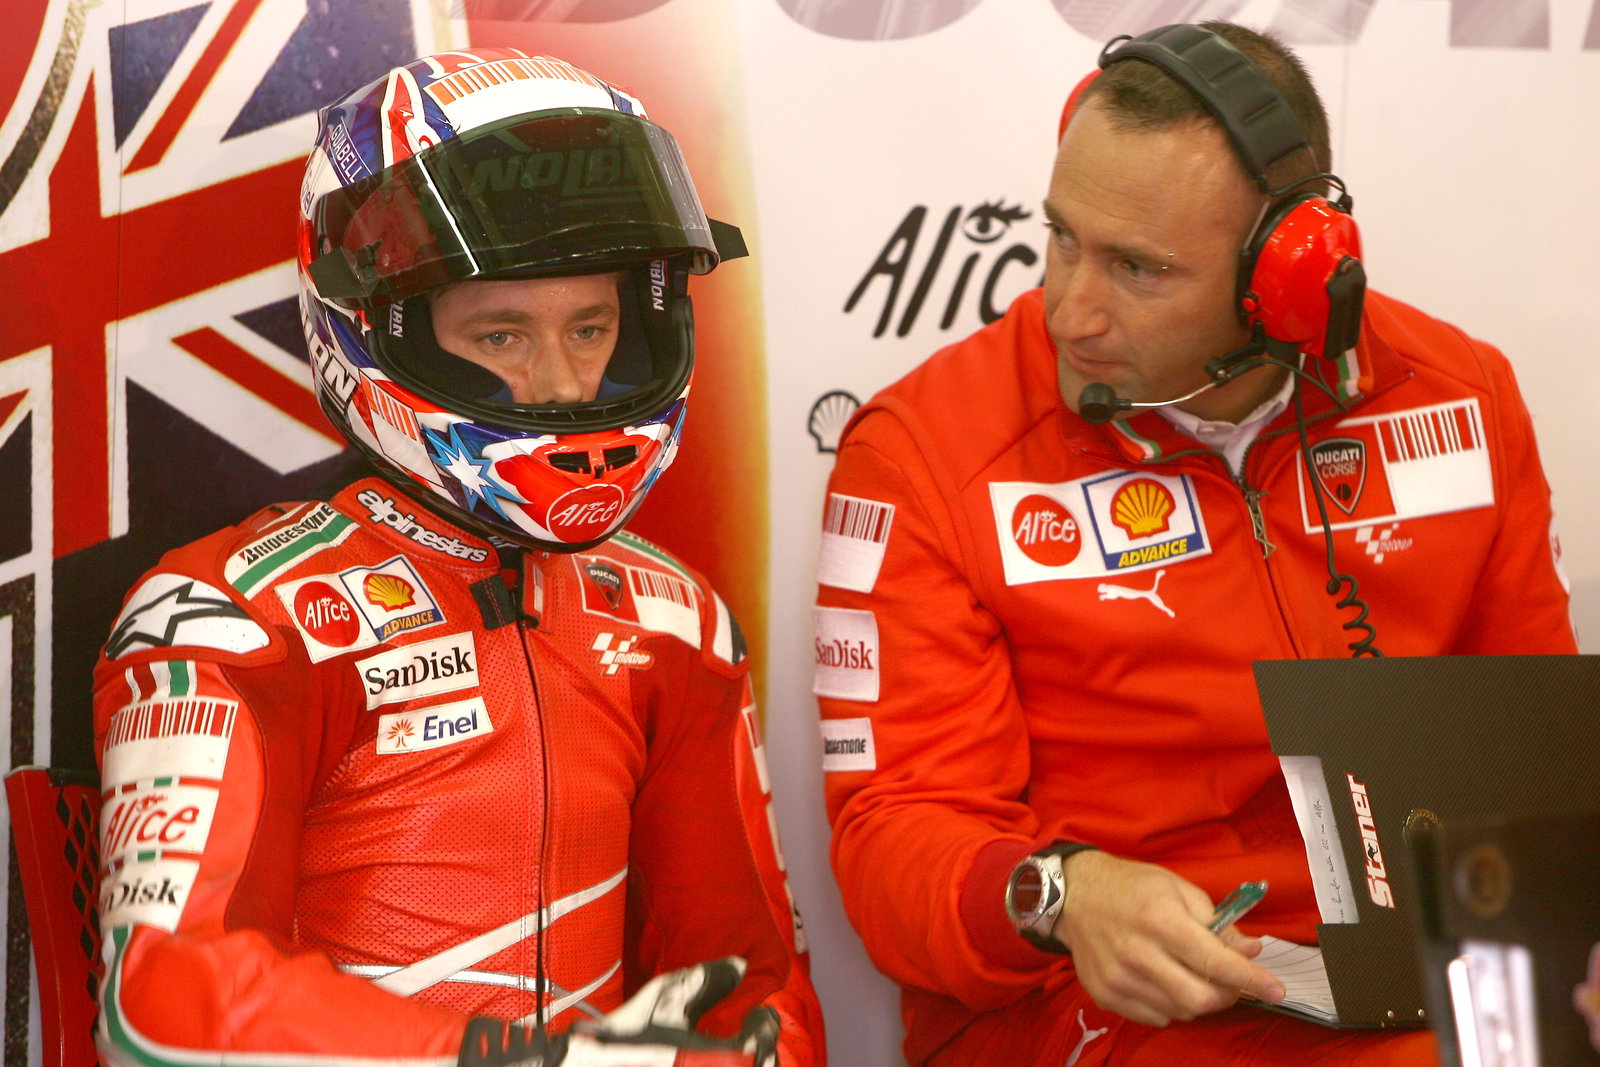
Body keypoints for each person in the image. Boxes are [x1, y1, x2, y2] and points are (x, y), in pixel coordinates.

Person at [812, 20, 1575, 1066]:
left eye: (1138, 268)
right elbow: (895, 838)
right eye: (1062, 237)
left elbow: (1535, 772)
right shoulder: (926, 453)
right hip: (1099, 1006)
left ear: (1292, 275)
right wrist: (1059, 892)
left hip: (1420, 987)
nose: (1069, 309)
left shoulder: (1461, 398)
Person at [92, 49, 822, 1066]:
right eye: (502, 334)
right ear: (374, 327)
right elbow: (164, 999)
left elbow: (755, 986)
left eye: (593, 325)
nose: (564, 385)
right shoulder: (228, 613)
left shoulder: (671, 621)